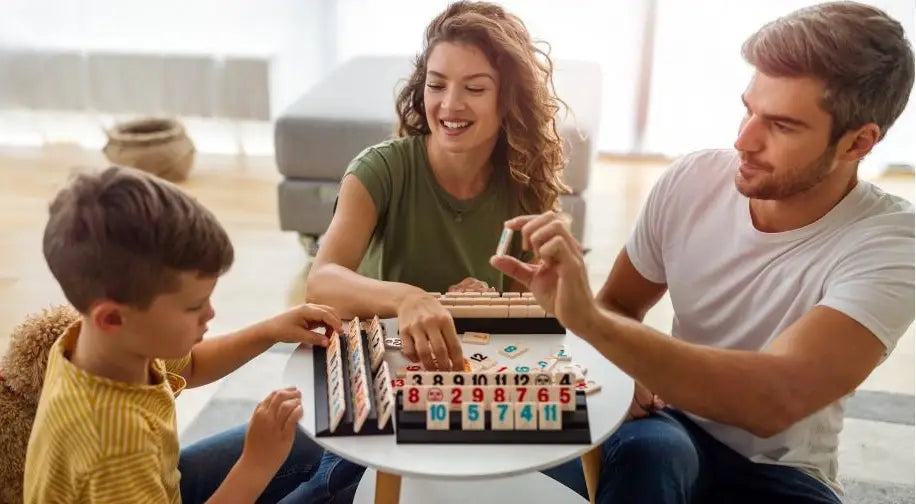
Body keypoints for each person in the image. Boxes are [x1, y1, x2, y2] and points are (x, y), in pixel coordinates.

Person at [491, 2, 915, 503]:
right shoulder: (692, 181)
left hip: (784, 470)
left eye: (781, 126)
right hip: (670, 426)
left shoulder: (890, 243)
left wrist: (588, 321)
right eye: (748, 108)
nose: (743, 140)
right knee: (647, 457)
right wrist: (614, 358)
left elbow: (773, 398)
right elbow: (620, 306)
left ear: (858, 143)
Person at [24, 166, 347, 503]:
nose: (210, 313)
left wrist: (269, 331)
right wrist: (255, 465)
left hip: (161, 486)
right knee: (340, 488)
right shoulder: (111, 446)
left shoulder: (107, 345)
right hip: (138, 480)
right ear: (112, 318)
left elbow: (189, 365)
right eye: (194, 307)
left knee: (318, 434)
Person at [307, 0, 569, 373]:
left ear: (508, 100)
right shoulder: (378, 170)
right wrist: (408, 299)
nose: (450, 104)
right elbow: (320, 282)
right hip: (380, 366)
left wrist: (478, 307)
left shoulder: (524, 189)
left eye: (474, 89)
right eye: (436, 84)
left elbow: (521, 327)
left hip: (467, 372)